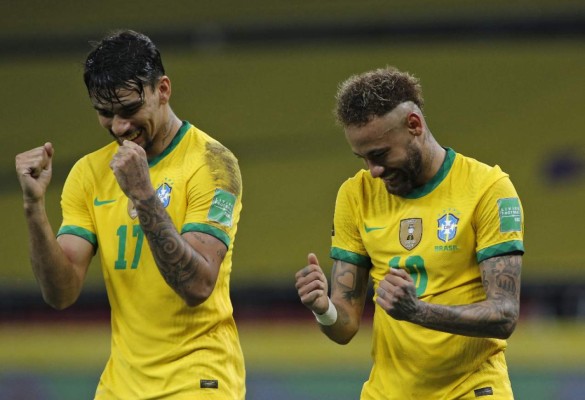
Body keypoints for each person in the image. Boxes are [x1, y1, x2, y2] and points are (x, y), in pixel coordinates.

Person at [15, 30, 245, 399]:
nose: (119, 127)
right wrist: (33, 208)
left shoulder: (214, 164)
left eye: (130, 109)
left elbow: (198, 286)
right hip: (120, 386)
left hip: (198, 380)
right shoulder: (89, 173)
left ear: (163, 89)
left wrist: (143, 194)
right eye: (105, 114)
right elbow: (61, 293)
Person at [295, 66, 523, 399]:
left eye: (380, 154)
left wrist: (418, 312)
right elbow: (344, 327)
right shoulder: (354, 195)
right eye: (362, 158)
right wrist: (322, 308)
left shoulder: (488, 189)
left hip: (472, 390)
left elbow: (504, 314)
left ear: (413, 125)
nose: (373, 171)